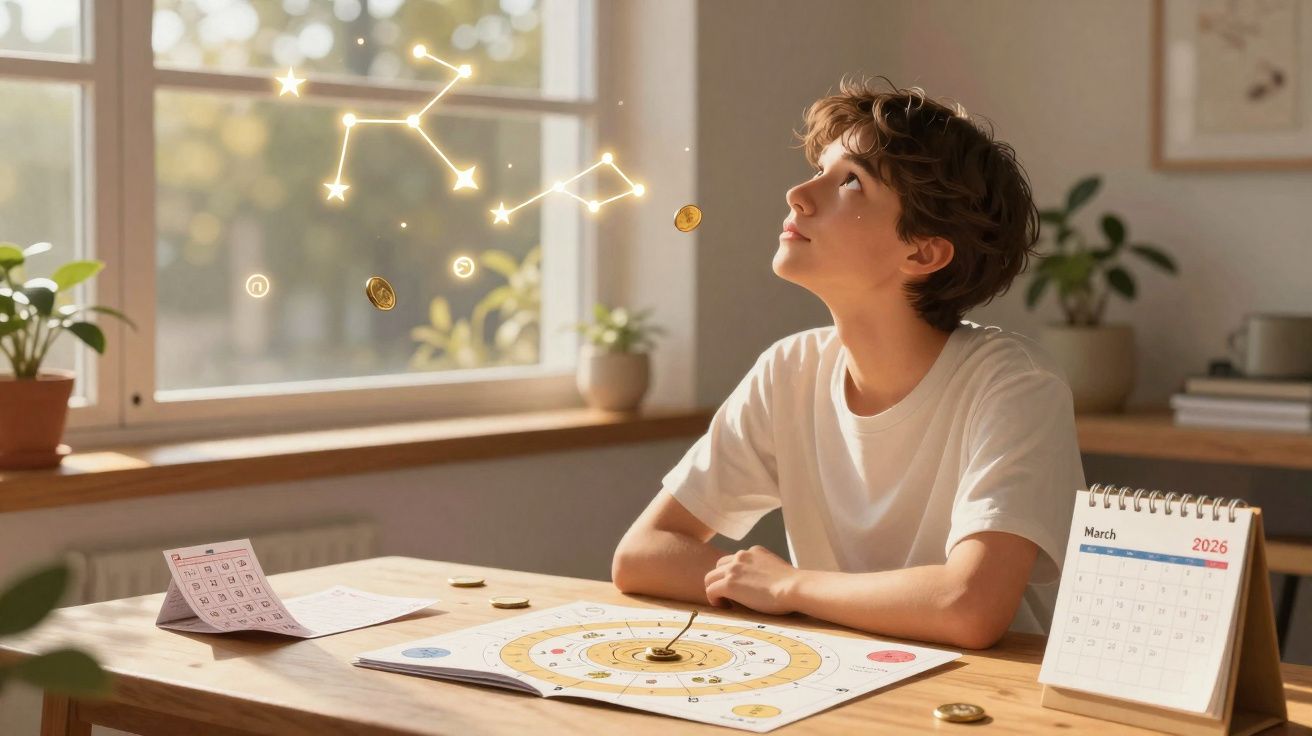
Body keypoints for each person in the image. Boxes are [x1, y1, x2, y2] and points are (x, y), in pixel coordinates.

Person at [611, 77, 1085, 650]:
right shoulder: (789, 370)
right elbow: (642, 554)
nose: (799, 193)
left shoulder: (1014, 385)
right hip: (835, 677)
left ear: (923, 252)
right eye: (820, 169)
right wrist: (771, 587)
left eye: (850, 181)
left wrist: (790, 587)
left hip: (985, 699)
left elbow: (970, 607)